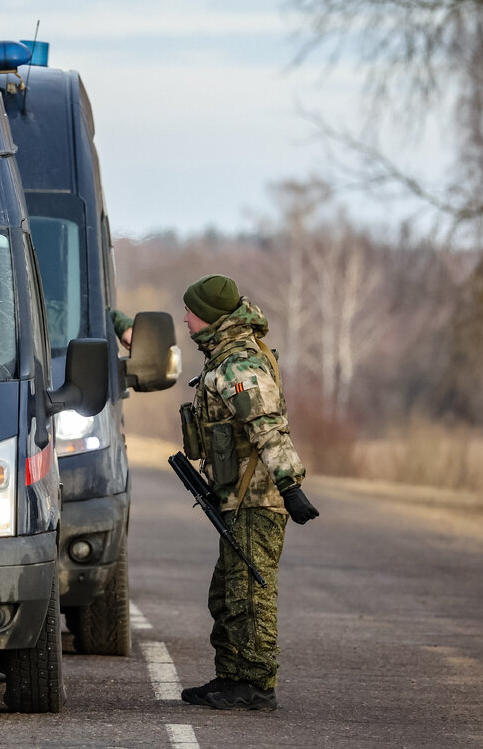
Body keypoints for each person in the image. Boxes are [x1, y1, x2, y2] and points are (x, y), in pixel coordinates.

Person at [177, 273, 318, 711]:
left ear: (210, 317)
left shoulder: (239, 365)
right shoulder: (222, 359)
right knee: (227, 594)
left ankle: (257, 685)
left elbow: (268, 427)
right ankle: (232, 677)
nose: (185, 319)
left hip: (258, 498)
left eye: (191, 312)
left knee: (250, 593)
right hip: (236, 498)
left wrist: (290, 485)